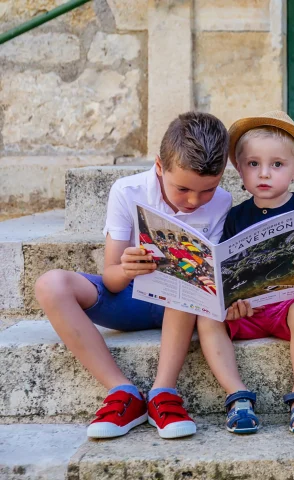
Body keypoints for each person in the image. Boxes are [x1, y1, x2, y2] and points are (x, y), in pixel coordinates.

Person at [35, 112, 232, 439]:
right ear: (159, 166)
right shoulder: (128, 191)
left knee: (187, 275)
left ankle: (163, 392)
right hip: (131, 299)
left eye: (207, 190)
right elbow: (111, 279)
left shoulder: (223, 201)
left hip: (187, 308)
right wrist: (127, 268)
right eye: (182, 189)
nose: (194, 201)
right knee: (50, 284)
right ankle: (122, 392)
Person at [196, 111, 294, 435]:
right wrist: (229, 301)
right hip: (248, 310)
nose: (264, 174)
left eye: (277, 165)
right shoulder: (235, 216)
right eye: (253, 164)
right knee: (207, 317)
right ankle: (237, 396)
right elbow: (226, 269)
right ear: (239, 169)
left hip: (290, 306)